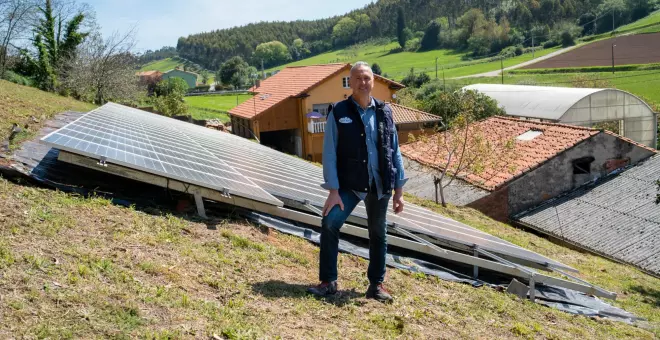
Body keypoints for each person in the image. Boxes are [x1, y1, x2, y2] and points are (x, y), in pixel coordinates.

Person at [306, 62, 407, 303]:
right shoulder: (338, 112)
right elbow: (329, 152)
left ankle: (376, 285)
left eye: (367, 78)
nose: (363, 82)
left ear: (373, 82)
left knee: (378, 233)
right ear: (350, 83)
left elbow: (395, 151)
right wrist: (333, 190)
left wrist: (399, 190)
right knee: (330, 222)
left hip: (379, 184)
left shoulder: (385, 112)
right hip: (349, 185)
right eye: (358, 79)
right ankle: (328, 282)